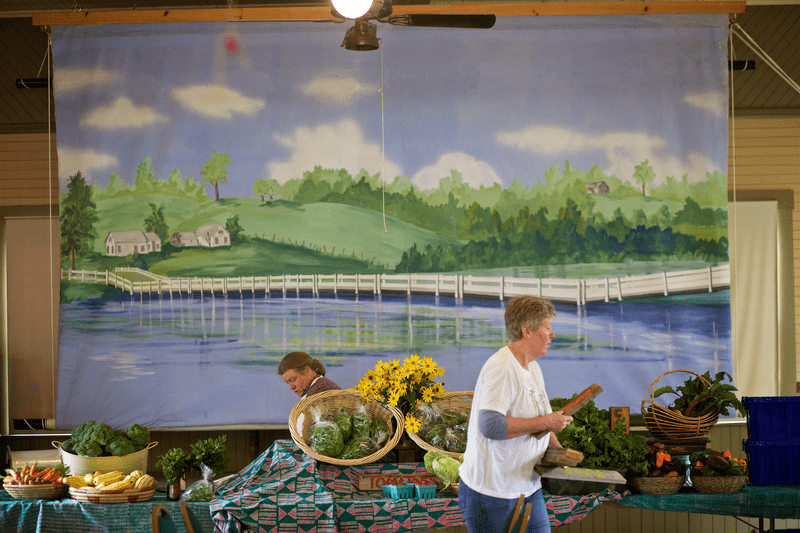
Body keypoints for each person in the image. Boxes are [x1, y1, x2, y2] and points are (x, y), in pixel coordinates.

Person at [458, 295, 573, 533]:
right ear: (527, 331)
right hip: (492, 492)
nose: (552, 335)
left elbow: (544, 425)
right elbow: (490, 426)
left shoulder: (533, 368)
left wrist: (563, 458)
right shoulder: (501, 367)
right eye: (547, 328)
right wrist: (547, 421)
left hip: (527, 486)